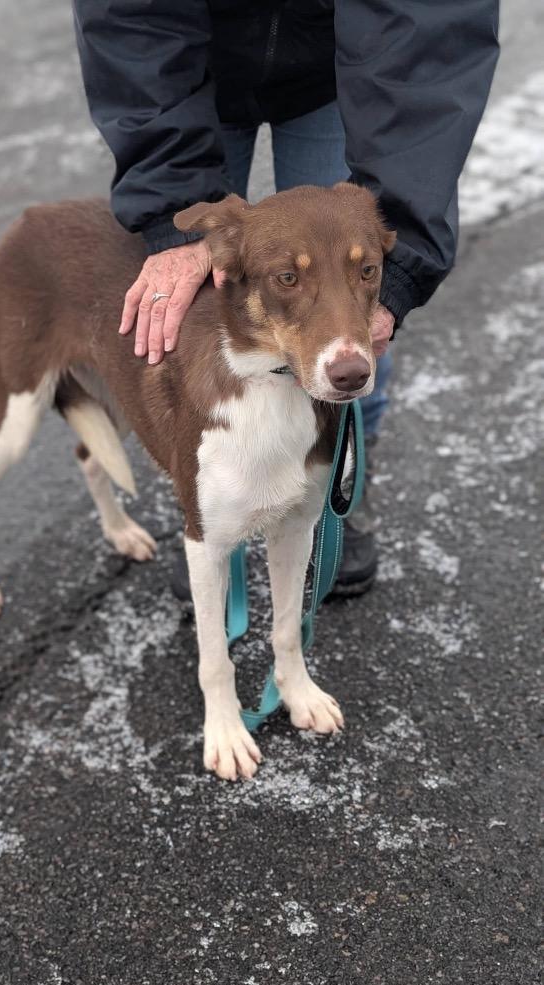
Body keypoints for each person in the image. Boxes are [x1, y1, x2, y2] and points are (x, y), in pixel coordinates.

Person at [73, 0, 499, 597]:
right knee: (206, 302)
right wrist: (176, 211)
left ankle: (337, 478)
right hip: (185, 68)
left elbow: (430, 32)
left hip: (345, 65)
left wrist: (392, 265)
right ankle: (209, 491)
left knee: (347, 303)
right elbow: (130, 16)